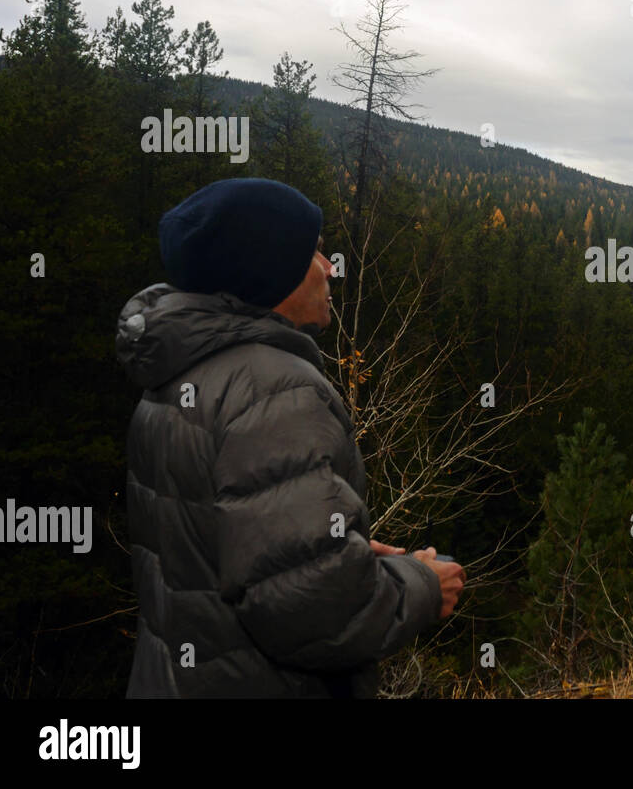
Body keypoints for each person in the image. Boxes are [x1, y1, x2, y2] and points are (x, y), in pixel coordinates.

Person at [115, 177, 464, 697]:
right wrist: (422, 585)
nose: (329, 268)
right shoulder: (272, 389)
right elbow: (316, 616)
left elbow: (212, 549)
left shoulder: (180, 374)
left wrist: (322, 550)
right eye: (316, 252)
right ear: (270, 269)